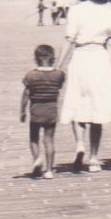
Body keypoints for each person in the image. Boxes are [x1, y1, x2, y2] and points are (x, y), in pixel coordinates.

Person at [57, 0, 111, 172]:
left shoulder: (77, 10)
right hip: (100, 59)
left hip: (80, 58)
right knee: (98, 107)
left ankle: (79, 144)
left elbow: (69, 40)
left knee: (77, 102)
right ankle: (94, 158)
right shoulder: (110, 11)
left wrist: (59, 67)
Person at [20, 44, 66, 179]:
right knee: (49, 140)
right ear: (53, 59)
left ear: (36, 59)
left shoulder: (31, 75)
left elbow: (26, 95)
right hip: (51, 110)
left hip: (36, 110)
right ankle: (49, 170)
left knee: (34, 137)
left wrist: (22, 111)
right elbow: (60, 86)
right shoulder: (58, 74)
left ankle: (37, 159)